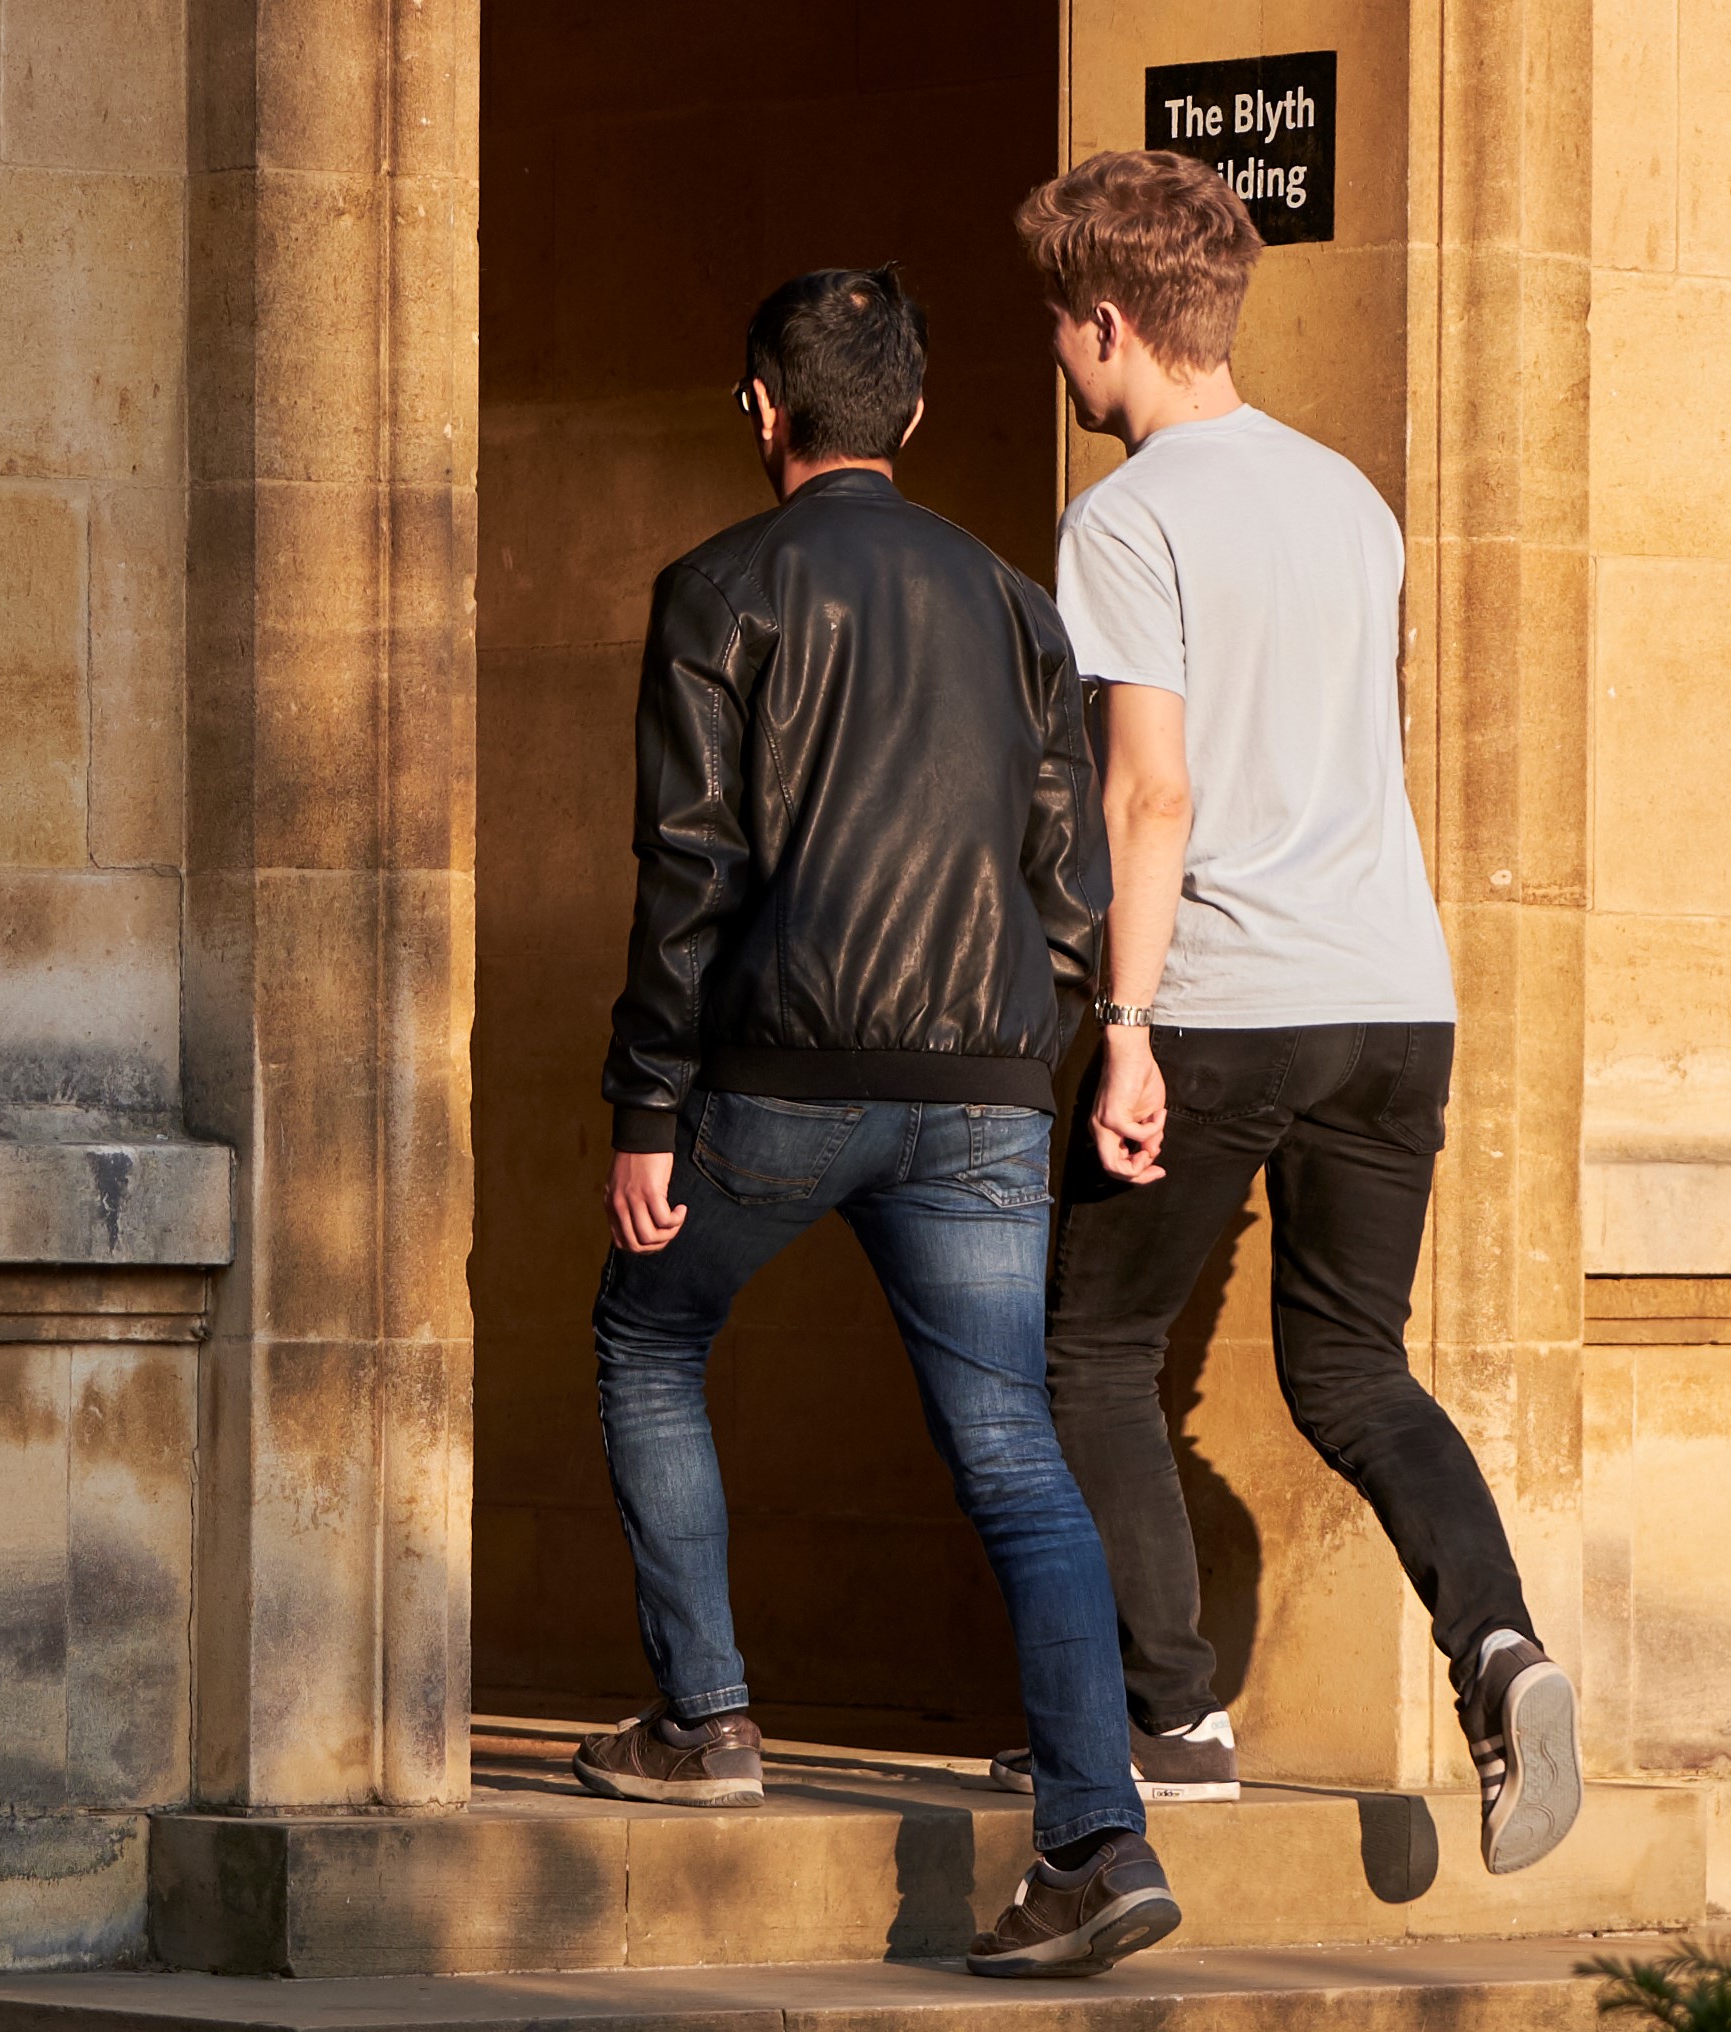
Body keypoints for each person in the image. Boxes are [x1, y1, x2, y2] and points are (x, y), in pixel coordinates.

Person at [572, 266, 1176, 1981]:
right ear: (908, 415)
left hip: (777, 1076)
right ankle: (1093, 1839)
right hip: (982, 1089)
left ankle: (708, 1723)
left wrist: (646, 1107)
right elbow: (1070, 878)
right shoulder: (1010, 599)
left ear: (761, 409)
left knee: (642, 1343)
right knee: (1014, 1457)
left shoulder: (718, 589)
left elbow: (687, 873)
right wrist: (1031, 1042)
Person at [984, 152, 1582, 1875]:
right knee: (1351, 1365)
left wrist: (1126, 1021)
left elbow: (1150, 794)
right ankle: (1500, 1651)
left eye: (1061, 332)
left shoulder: (1129, 517)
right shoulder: (1352, 502)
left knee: (1088, 1352)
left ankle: (1168, 1725)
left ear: (1109, 324)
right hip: (1396, 996)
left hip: (1227, 995)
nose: (1061, 366)